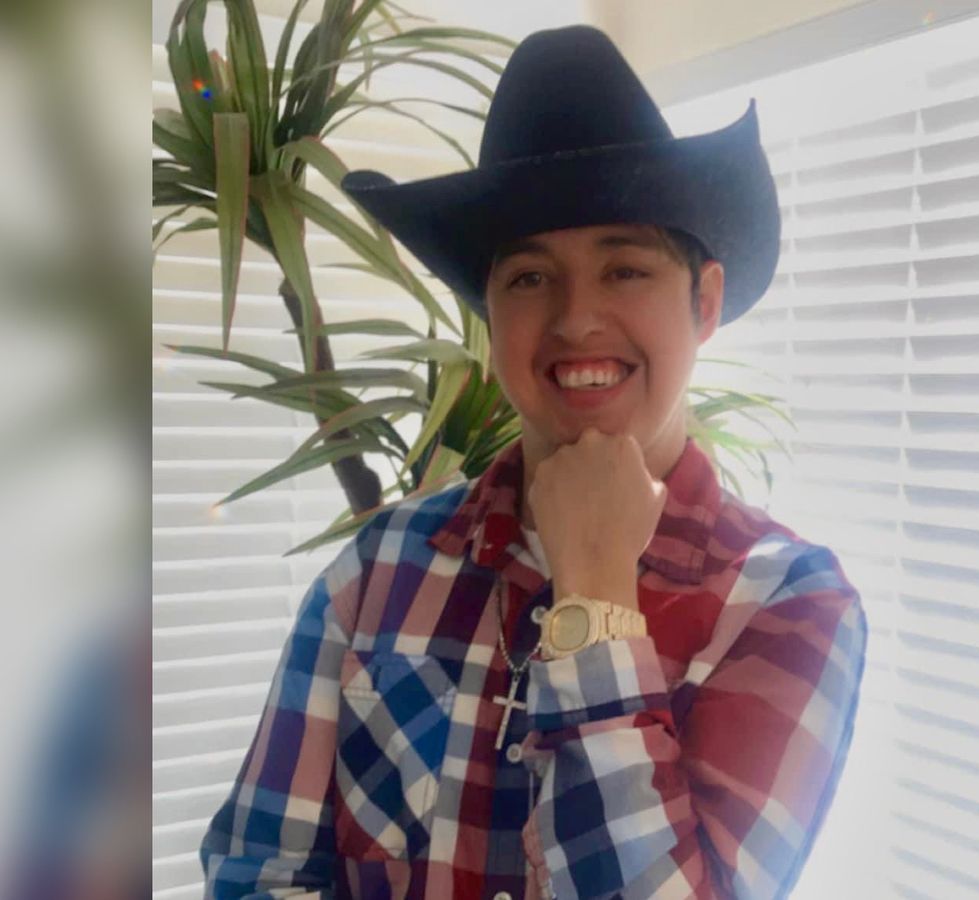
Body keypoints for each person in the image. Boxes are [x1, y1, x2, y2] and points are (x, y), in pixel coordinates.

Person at [201, 25, 867, 900]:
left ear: (703, 302)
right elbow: (259, 872)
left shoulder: (788, 607)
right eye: (528, 278)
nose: (576, 318)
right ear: (489, 312)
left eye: (625, 270)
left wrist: (595, 598)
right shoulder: (376, 572)